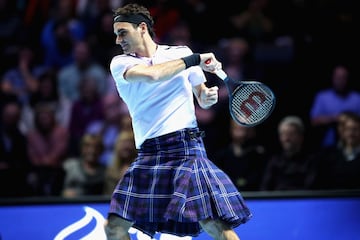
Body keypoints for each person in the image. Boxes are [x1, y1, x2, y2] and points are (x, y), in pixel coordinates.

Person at [104, 3, 252, 240]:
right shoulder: (120, 63)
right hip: (150, 152)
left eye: (122, 32)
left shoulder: (179, 52)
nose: (118, 40)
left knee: (212, 222)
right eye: (116, 34)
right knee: (114, 227)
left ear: (142, 28)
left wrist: (208, 96)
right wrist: (194, 58)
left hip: (186, 148)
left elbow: (202, 97)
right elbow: (154, 75)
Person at [260, 115, 317, 191]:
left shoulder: (311, 161)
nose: (287, 138)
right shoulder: (274, 161)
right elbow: (265, 188)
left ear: (301, 137)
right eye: (283, 134)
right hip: (277, 201)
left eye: (291, 134)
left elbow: (310, 189)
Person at [309, 64, 360, 148]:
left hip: (353, 145)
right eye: (338, 78)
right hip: (328, 144)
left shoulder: (357, 98)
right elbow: (314, 120)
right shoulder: (322, 97)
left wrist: (347, 120)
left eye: (343, 78)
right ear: (333, 78)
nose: (340, 81)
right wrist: (335, 119)